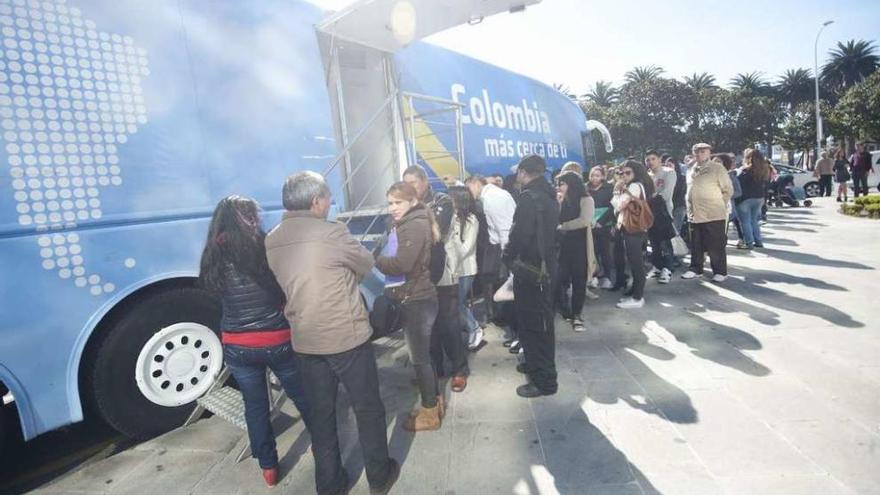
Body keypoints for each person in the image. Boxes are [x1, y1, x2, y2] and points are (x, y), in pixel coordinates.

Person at [266, 172, 399, 495]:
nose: (329, 203)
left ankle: (329, 484)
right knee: (367, 407)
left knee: (321, 414)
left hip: (305, 340)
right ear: (315, 202)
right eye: (327, 197)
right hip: (346, 336)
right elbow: (366, 264)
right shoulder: (333, 234)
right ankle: (379, 476)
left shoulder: (272, 238)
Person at [198, 195, 312, 488]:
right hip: (278, 338)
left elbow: (215, 293)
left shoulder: (212, 253)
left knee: (255, 406)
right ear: (251, 218)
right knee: (301, 394)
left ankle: (269, 467)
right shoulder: (265, 245)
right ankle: (323, 439)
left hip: (238, 345)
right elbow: (285, 287)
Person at [375, 181, 443, 431]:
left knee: (420, 359)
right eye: (390, 203)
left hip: (417, 300)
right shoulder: (410, 221)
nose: (392, 208)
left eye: (397, 202)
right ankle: (434, 401)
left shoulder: (413, 225)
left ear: (412, 201)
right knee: (423, 356)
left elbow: (402, 264)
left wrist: (377, 260)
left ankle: (429, 412)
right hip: (417, 297)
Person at [504, 155, 559, 398]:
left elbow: (519, 236)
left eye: (519, 171)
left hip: (532, 270)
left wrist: (507, 257)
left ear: (525, 172)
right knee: (535, 323)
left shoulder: (529, 199)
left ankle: (545, 381)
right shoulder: (548, 194)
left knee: (537, 326)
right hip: (544, 267)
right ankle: (535, 365)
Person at [465, 174, 517, 347]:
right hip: (504, 247)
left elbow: (503, 228)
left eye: (468, 188)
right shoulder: (497, 194)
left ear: (475, 184)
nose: (468, 193)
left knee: (509, 292)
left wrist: (506, 256)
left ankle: (516, 334)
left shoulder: (491, 199)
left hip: (505, 248)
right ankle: (514, 332)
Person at [428, 186, 471, 393]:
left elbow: (438, 232)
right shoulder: (415, 207)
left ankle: (459, 370)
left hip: (444, 272)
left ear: (423, 181)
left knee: (449, 325)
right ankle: (436, 370)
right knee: (431, 326)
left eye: (413, 181)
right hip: (424, 275)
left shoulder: (441, 201)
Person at [681, 143, 733, 283]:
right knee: (696, 243)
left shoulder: (717, 168)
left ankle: (720, 271)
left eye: (703, 152)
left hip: (713, 213)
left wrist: (718, 203)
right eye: (696, 152)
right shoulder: (691, 169)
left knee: (715, 244)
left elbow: (727, 189)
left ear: (709, 153)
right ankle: (696, 268)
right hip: (694, 213)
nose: (699, 154)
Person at [611, 160, 654, 309]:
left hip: (633, 229)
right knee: (635, 262)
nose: (624, 175)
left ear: (636, 173)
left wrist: (616, 192)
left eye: (628, 173)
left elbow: (619, 206)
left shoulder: (635, 186)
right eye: (622, 173)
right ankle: (635, 293)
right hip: (634, 229)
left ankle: (637, 298)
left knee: (636, 263)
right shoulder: (632, 186)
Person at [555, 171, 595, 332]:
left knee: (579, 280)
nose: (559, 187)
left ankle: (577, 314)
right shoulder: (562, 200)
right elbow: (555, 218)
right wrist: (558, 203)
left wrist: (563, 226)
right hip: (562, 245)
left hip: (580, 245)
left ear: (571, 184)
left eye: (562, 184)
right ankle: (565, 309)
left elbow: (585, 220)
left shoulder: (586, 199)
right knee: (561, 279)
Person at [447, 186, 483, 350]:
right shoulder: (450, 218)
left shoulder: (472, 220)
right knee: (455, 304)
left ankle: (475, 328)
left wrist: (451, 238)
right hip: (451, 270)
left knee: (459, 303)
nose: (448, 201)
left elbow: (465, 248)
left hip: (466, 270)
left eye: (451, 198)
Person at [645, 150, 676, 284]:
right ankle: (657, 266)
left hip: (663, 213)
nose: (650, 162)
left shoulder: (668, 172)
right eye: (648, 160)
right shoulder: (647, 175)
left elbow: (666, 194)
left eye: (653, 159)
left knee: (664, 242)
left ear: (659, 159)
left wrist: (650, 199)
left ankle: (668, 268)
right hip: (649, 214)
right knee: (653, 243)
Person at [735, 149, 771, 249]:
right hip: (759, 197)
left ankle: (749, 243)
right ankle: (758, 242)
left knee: (745, 222)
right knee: (754, 220)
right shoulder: (765, 169)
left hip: (745, 198)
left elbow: (739, 182)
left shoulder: (745, 170)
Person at [587, 166, 615, 289]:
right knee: (592, 252)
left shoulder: (609, 188)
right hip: (589, 224)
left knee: (605, 252)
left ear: (602, 176)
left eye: (597, 175)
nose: (594, 178)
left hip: (604, 225)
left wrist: (601, 222)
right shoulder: (585, 188)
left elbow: (612, 207)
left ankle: (607, 277)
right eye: (592, 175)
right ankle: (594, 276)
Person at [713, 153, 743, 243]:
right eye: (714, 161)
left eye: (718, 161)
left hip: (725, 208)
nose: (715, 164)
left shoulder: (730, 176)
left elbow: (738, 192)